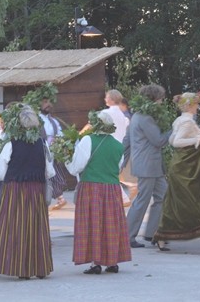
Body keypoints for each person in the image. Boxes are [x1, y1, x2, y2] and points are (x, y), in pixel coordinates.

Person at [153, 92, 200, 250]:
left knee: (180, 204)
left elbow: (171, 139)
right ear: (189, 106)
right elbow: (176, 142)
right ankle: (162, 235)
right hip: (185, 170)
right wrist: (197, 140)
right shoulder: (187, 122)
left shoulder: (180, 120)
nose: (198, 107)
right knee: (196, 203)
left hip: (183, 167)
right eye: (196, 104)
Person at [0, 103, 54, 279]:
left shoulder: (11, 144)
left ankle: (22, 269)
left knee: (16, 226)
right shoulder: (42, 144)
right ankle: (40, 267)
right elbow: (50, 171)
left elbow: (0, 173)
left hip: (15, 190)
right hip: (36, 189)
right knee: (36, 227)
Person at [67, 109, 131, 274]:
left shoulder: (88, 140)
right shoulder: (118, 145)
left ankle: (96, 263)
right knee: (110, 224)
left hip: (91, 187)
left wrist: (67, 160)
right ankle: (112, 262)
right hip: (112, 188)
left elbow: (77, 167)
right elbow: (117, 167)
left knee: (94, 224)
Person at [124, 84, 170, 248]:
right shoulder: (145, 118)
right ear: (153, 99)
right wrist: (173, 130)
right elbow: (158, 140)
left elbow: (126, 141)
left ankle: (152, 233)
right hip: (148, 165)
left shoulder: (137, 115)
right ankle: (128, 236)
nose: (161, 102)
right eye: (160, 99)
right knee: (142, 200)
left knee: (163, 196)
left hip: (149, 165)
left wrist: (123, 161)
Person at [104, 89, 133, 205]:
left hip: (108, 146)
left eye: (106, 97)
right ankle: (124, 195)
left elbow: (92, 124)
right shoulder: (123, 116)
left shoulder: (106, 113)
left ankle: (124, 197)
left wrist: (80, 134)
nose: (105, 99)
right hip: (120, 147)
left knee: (109, 173)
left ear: (110, 99)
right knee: (112, 172)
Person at [40, 98, 69, 210]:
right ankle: (52, 198)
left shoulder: (53, 120)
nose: (48, 105)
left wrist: (59, 142)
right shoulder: (37, 120)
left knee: (55, 174)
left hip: (53, 151)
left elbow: (60, 133)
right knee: (46, 174)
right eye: (45, 102)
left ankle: (60, 198)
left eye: (49, 102)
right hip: (42, 151)